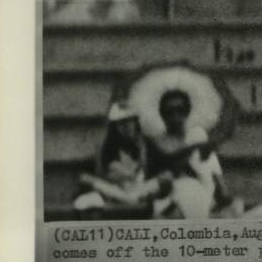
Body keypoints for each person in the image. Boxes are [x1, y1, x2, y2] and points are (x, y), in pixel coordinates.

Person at [146, 89, 235, 219]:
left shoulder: (196, 135)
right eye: (169, 112)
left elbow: (210, 165)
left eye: (180, 110)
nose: (175, 116)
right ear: (162, 114)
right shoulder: (158, 141)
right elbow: (162, 171)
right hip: (170, 193)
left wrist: (221, 187)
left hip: (202, 189)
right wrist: (190, 151)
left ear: (187, 112)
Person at [75, 102, 170, 211]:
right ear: (114, 127)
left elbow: (162, 170)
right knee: (86, 180)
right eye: (122, 123)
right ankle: (129, 200)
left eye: (130, 121)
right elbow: (91, 175)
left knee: (166, 178)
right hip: (115, 192)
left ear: (136, 122)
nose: (127, 126)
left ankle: (131, 199)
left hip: (141, 190)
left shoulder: (147, 145)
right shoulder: (106, 149)